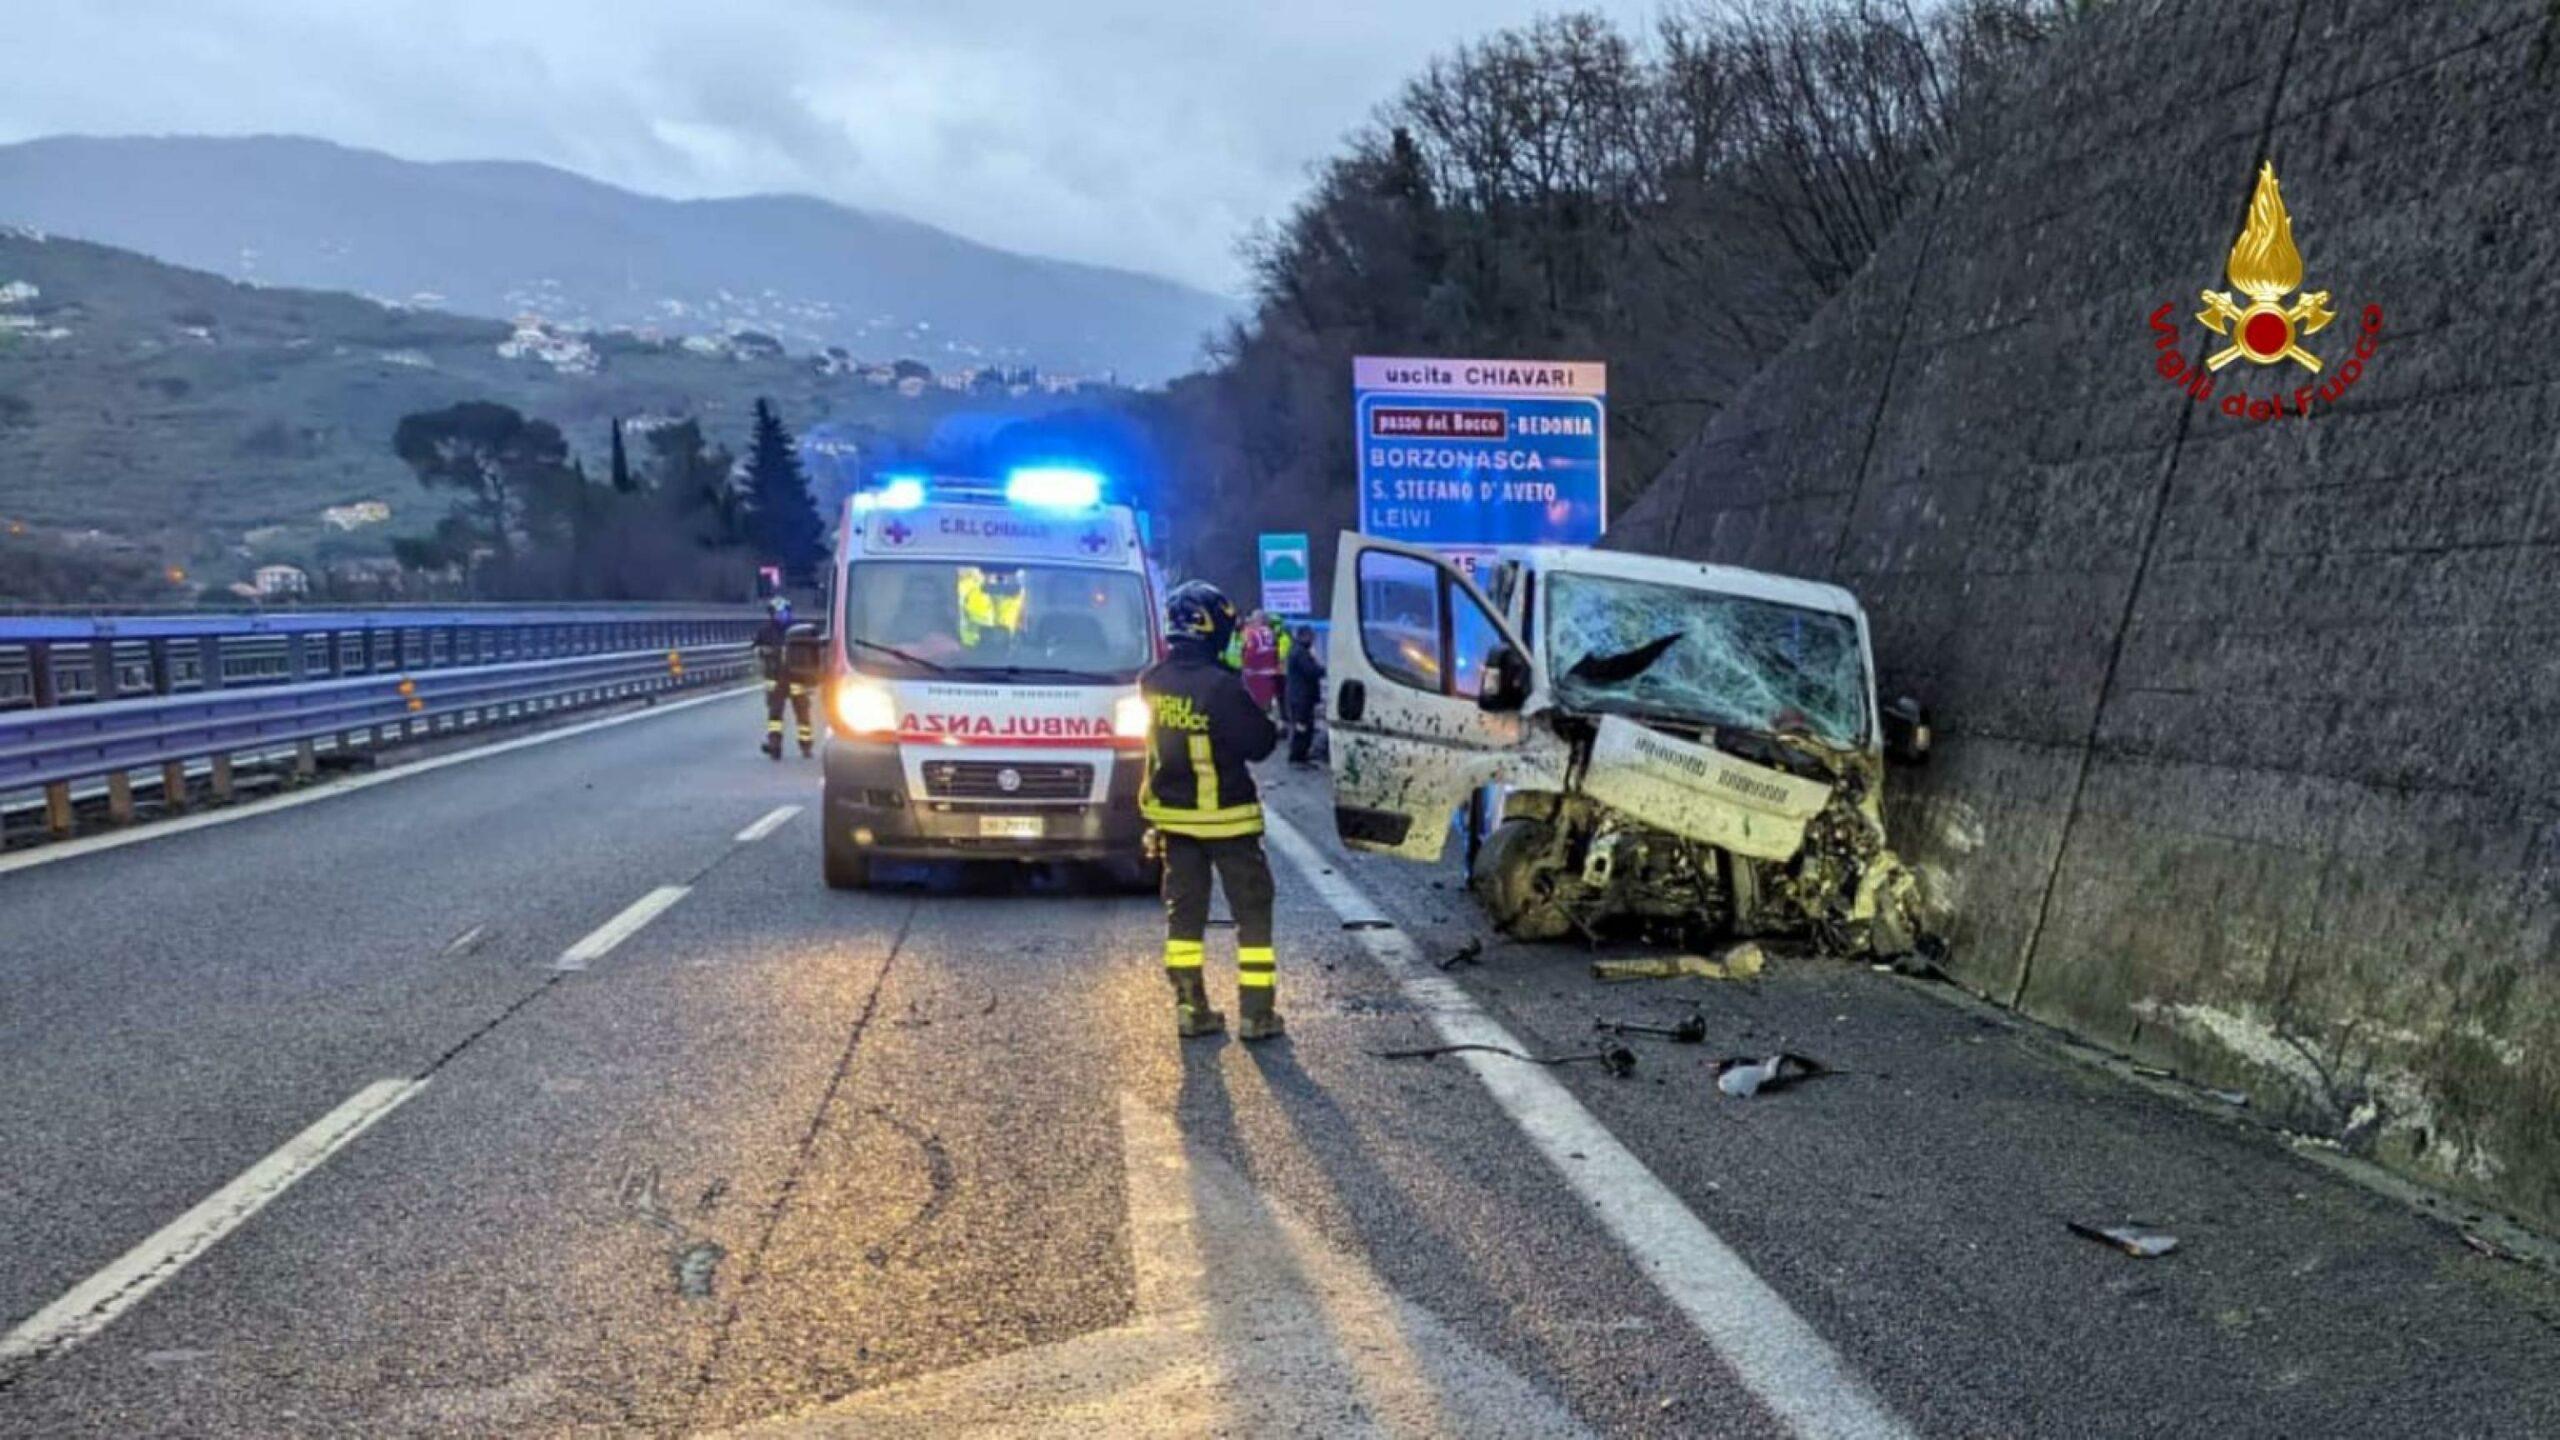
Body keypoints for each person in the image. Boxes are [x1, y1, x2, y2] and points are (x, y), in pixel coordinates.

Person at [1141, 581, 1284, 1041]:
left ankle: (1190, 1007)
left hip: (1175, 823)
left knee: (1184, 917)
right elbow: (1258, 744)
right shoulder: (1221, 686)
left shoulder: (1153, 682)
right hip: (1229, 822)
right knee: (1252, 912)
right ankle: (1257, 1014)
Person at [753, 596, 813, 758]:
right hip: (775, 678)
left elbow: (811, 652)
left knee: (802, 713)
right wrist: (765, 652)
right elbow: (756, 649)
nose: (781, 616)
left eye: (784, 613)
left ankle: (806, 746)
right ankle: (774, 745)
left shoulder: (799, 630)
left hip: (797, 678)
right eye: (777, 613)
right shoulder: (765, 632)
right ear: (771, 614)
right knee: (775, 715)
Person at [1284, 624, 1325, 767]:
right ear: (1304, 636)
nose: (1313, 640)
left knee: (1305, 726)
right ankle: (1297, 756)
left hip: (1302, 697)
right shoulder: (1300, 653)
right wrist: (1323, 670)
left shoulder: (1299, 651)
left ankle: (1301, 755)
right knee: (1302, 726)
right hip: (1301, 698)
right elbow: (1311, 671)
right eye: (1311, 636)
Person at [1240, 610, 1282, 715]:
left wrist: (1245, 666)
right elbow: (1276, 654)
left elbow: (1250, 655)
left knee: (1254, 711)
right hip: (1270, 676)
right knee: (1267, 709)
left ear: (1258, 620)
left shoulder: (1254, 635)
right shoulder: (1272, 634)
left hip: (1255, 677)